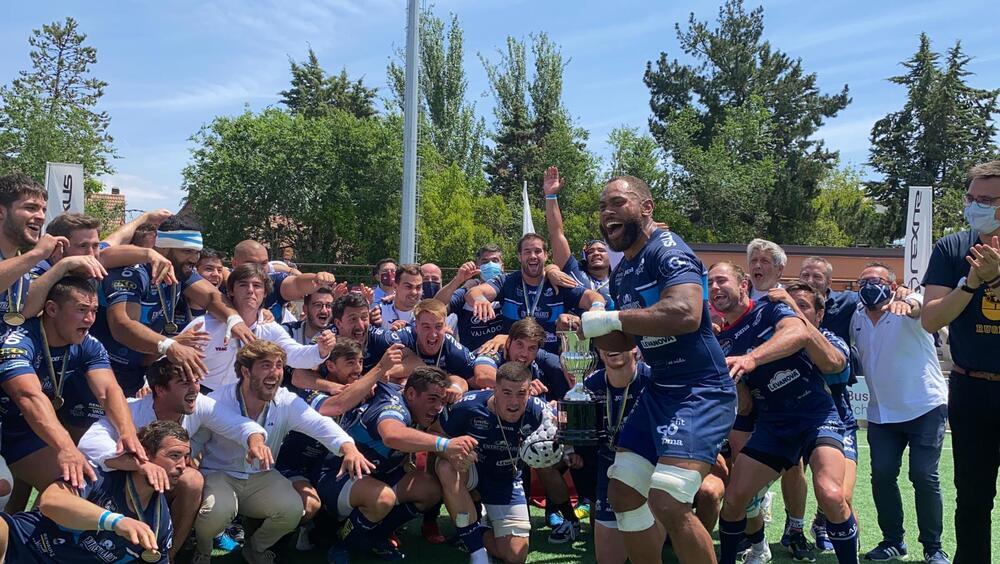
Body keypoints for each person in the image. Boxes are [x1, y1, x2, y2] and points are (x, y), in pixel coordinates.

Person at [578, 175, 736, 564]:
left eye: (617, 202)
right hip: (661, 393)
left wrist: (612, 316)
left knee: (667, 498)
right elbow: (627, 339)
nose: (607, 213)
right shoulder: (623, 272)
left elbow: (685, 313)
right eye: (602, 207)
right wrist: (588, 327)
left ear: (646, 208)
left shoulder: (668, 250)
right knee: (623, 491)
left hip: (701, 391)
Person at [707, 261, 857, 564]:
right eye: (709, 283)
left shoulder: (772, 308)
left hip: (816, 416)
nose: (714, 288)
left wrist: (751, 359)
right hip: (773, 425)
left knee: (830, 494)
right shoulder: (719, 340)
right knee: (734, 501)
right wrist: (726, 373)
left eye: (721, 281)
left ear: (743, 286)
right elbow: (746, 405)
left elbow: (799, 334)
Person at [193, 340, 373, 564]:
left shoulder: (286, 400)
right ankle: (202, 551)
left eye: (279, 365)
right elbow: (196, 441)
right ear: (245, 371)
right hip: (219, 474)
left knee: (293, 509)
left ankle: (255, 549)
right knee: (216, 512)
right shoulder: (217, 400)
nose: (275, 373)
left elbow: (318, 423)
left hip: (261, 476)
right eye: (266, 365)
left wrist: (348, 447)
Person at [78, 357, 270, 560]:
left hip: (168, 485)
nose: (195, 388)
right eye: (184, 383)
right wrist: (140, 465)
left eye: (196, 380)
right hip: (124, 483)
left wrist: (255, 441)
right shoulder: (131, 410)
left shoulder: (200, 404)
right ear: (160, 390)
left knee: (192, 480)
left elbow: (240, 425)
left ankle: (168, 555)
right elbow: (90, 442)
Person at [0, 277, 140, 514]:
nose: (90, 319)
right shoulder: (19, 342)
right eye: (81, 310)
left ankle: (25, 541)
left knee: (75, 486)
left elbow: (109, 390)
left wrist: (127, 433)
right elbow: (28, 396)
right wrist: (66, 446)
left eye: (94, 311)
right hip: (13, 419)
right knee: (5, 488)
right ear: (52, 309)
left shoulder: (88, 344)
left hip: (20, 430)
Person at [921, 161, 1000, 564]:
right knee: (972, 498)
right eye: (971, 198)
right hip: (971, 389)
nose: (974, 206)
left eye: (985, 200)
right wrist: (973, 282)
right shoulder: (952, 249)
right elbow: (931, 318)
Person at [317, 366, 475, 563]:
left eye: (441, 401)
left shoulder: (419, 407)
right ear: (410, 394)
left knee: (429, 490)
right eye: (432, 399)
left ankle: (375, 536)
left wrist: (458, 389)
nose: (437, 407)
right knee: (383, 498)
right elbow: (392, 435)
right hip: (338, 476)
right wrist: (445, 444)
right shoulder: (393, 407)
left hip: (376, 476)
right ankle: (342, 544)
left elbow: (460, 381)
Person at [849, 263, 950, 563]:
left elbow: (920, 306)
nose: (868, 286)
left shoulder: (908, 306)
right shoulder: (855, 316)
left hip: (925, 407)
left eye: (876, 280)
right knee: (881, 476)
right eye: (863, 281)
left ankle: (933, 547)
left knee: (923, 475)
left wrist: (909, 300)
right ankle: (893, 541)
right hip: (881, 414)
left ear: (893, 285)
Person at [92, 215, 254, 395]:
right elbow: (122, 325)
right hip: (101, 368)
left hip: (138, 370)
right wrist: (169, 345)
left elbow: (211, 296)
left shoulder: (179, 271)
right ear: (164, 247)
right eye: (187, 251)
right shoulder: (132, 273)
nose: (194, 259)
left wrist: (233, 319)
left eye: (197, 252)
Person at [276, 340, 404, 551]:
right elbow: (335, 406)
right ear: (331, 365)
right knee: (309, 505)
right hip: (293, 467)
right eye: (350, 362)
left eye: (361, 362)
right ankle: (271, 543)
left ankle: (333, 531)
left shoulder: (358, 388)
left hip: (326, 468)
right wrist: (379, 368)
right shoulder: (310, 391)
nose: (357, 368)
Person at [0, 420, 189, 563]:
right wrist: (116, 521)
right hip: (21, 544)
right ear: (145, 454)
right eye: (174, 456)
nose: (182, 466)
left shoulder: (159, 522)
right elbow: (51, 501)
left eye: (186, 458)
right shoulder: (101, 475)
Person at [435, 361, 554, 564]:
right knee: (447, 467)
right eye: (506, 393)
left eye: (521, 393)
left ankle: (473, 526)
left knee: (515, 556)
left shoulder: (539, 412)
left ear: (529, 391)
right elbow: (436, 434)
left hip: (505, 479)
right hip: (471, 471)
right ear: (494, 389)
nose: (514, 402)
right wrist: (453, 452)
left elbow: (562, 439)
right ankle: (477, 553)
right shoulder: (468, 406)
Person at [183, 263, 334, 392]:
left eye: (256, 286)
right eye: (243, 285)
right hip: (203, 397)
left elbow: (295, 356)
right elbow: (175, 359)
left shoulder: (268, 328)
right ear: (230, 290)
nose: (250, 290)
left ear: (265, 293)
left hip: (245, 402)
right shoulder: (205, 325)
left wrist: (321, 350)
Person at [466, 233, 604, 354]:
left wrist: (596, 307)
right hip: (514, 358)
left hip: (550, 358)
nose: (533, 256)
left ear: (546, 255)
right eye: (527, 252)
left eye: (537, 251)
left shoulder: (558, 283)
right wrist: (480, 299)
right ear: (519, 256)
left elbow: (594, 297)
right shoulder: (507, 281)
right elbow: (474, 292)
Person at [582, 347, 652, 564]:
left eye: (619, 341)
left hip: (652, 470)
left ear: (634, 347)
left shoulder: (653, 380)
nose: (612, 347)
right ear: (599, 351)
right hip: (610, 471)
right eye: (606, 342)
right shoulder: (590, 385)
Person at [367, 299, 475, 398]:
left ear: (445, 326)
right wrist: (377, 377)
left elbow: (470, 379)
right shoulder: (402, 338)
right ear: (416, 327)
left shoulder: (453, 348)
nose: (433, 335)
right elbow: (368, 338)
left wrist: (457, 388)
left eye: (438, 326)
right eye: (426, 327)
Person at [542, 166, 613, 305]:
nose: (596, 253)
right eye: (591, 251)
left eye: (601, 250)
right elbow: (557, 234)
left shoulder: (621, 278)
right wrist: (550, 196)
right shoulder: (574, 272)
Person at [229, 239, 337, 321]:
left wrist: (316, 279)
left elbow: (297, 284)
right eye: (252, 263)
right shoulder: (222, 284)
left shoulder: (275, 282)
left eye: (264, 263)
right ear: (235, 264)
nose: (259, 269)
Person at [471, 317, 565, 398]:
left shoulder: (539, 358)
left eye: (531, 348)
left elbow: (564, 366)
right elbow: (483, 376)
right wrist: (523, 387)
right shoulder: (494, 351)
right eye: (519, 344)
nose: (524, 353)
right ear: (508, 343)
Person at [798, 256, 860, 344]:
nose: (810, 281)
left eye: (817, 276)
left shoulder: (846, 301)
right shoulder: (788, 303)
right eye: (805, 275)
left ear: (828, 283)